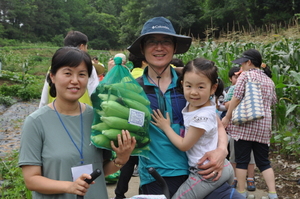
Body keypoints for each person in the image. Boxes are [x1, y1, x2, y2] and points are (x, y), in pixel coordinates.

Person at [127, 16, 229, 198]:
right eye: (152, 42)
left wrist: (222, 149)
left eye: (166, 41)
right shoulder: (133, 89)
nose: (159, 47)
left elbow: (215, 120)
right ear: (142, 49)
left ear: (174, 48)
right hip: (154, 176)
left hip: (196, 172)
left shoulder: (189, 85)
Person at [18, 47, 136, 199]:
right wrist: (70, 186)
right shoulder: (35, 122)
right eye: (67, 73)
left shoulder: (97, 117)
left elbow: (101, 169)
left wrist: (121, 159)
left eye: (82, 74)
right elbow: (31, 180)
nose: (75, 81)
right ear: (53, 76)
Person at [151, 57, 234, 199]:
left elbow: (184, 145)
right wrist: (176, 69)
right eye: (189, 86)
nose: (194, 92)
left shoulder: (201, 118)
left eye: (200, 87)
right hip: (220, 165)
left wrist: (166, 127)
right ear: (182, 84)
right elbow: (192, 76)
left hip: (205, 172)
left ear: (213, 88)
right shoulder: (203, 103)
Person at [222, 49, 278, 199]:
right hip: (263, 128)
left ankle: (241, 192)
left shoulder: (246, 76)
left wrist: (227, 117)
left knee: (242, 161)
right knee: (264, 162)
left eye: (242, 63)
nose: (241, 66)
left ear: (249, 62)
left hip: (244, 126)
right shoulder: (269, 80)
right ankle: (273, 193)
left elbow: (237, 97)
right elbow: (273, 102)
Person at [39, 30, 99, 108]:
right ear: (81, 46)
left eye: (81, 75)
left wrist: (41, 111)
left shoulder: (55, 65)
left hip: (55, 114)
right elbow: (95, 93)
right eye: (68, 74)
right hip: (83, 115)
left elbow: (45, 97)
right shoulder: (86, 66)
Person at [223, 67, 257, 191]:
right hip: (235, 127)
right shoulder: (232, 89)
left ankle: (250, 178)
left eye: (241, 76)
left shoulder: (252, 88)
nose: (239, 79)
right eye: (236, 77)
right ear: (231, 78)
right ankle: (234, 178)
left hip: (250, 127)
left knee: (250, 155)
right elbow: (225, 105)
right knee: (234, 153)